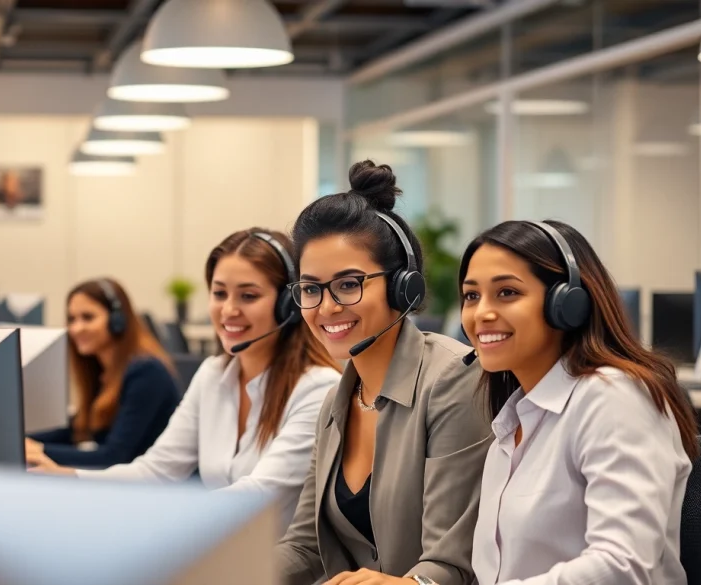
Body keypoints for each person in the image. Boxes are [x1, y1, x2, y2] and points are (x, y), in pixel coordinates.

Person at [28, 229, 342, 533]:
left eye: (248, 295)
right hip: (215, 548)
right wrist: (69, 477)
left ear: (288, 304)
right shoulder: (213, 375)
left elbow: (259, 494)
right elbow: (157, 470)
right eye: (219, 293)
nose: (228, 310)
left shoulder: (317, 389)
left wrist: (163, 518)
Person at [276, 160, 492, 585]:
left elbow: (452, 563)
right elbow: (305, 546)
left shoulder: (452, 381)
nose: (326, 307)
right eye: (310, 288)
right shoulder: (336, 403)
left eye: (349, 283)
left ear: (402, 287)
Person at [459, 219, 698, 585]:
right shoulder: (514, 419)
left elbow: (622, 566)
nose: (481, 313)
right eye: (471, 296)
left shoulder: (614, 399)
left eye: (507, 292)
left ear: (567, 303)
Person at [25, 278, 180, 469]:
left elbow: (112, 457)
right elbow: (77, 431)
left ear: (118, 321)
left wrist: (39, 450)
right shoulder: (102, 370)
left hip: (158, 490)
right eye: (71, 319)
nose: (76, 328)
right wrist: (22, 442)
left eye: (88, 317)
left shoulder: (147, 372)